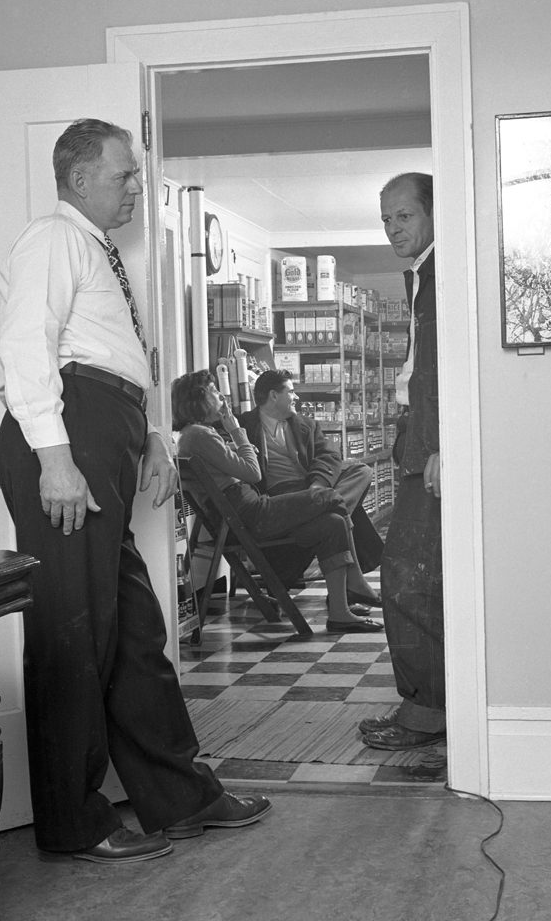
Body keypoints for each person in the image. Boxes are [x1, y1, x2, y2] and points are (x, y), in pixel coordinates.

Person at [0, 119, 270, 865]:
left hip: (104, 430)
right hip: (68, 434)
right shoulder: (51, 240)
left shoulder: (101, 252)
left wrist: (151, 438)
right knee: (72, 636)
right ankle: (72, 823)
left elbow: (123, 356)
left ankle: (183, 798)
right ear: (80, 177)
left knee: (134, 634)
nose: (136, 190)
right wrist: (55, 458)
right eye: (124, 176)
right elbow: (27, 347)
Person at [172, 369, 382, 632]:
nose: (221, 396)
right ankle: (357, 584)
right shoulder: (200, 435)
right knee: (330, 499)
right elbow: (253, 472)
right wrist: (237, 432)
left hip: (244, 511)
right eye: (214, 391)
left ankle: (340, 613)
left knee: (333, 522)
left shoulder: (195, 435)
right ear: (199, 398)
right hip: (252, 512)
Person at [358, 172, 446, 751]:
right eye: (386, 218)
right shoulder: (422, 278)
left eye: (404, 216)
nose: (393, 228)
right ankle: (436, 701)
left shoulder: (440, 278)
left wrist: (443, 443)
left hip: (433, 446)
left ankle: (428, 710)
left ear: (434, 214)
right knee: (424, 577)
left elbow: (444, 367)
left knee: (405, 578)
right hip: (417, 440)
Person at [238, 370, 384, 605]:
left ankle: (324, 505)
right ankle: (353, 582)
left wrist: (318, 485)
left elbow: (328, 455)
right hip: (281, 497)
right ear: (274, 396)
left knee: (362, 471)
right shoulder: (243, 425)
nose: (296, 397)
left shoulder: (306, 424)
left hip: (312, 488)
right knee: (338, 511)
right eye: (291, 391)